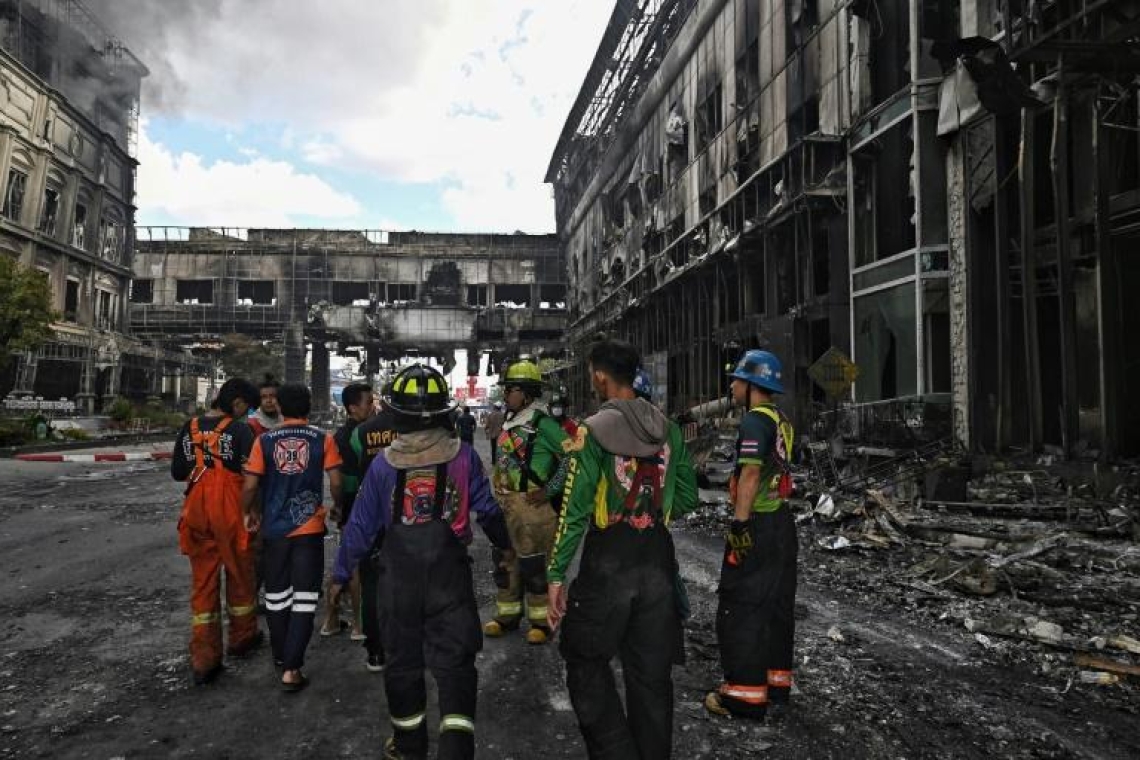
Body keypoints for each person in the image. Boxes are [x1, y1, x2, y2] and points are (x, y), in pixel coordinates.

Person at [332, 365, 511, 760]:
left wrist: (340, 574)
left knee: (402, 663)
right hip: (449, 576)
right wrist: (506, 547)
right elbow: (489, 511)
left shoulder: (382, 466)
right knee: (456, 664)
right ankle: (456, 748)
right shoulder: (463, 456)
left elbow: (360, 528)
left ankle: (410, 746)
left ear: (396, 414)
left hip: (398, 578)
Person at [547, 339, 699, 759]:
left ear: (599, 375)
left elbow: (574, 511)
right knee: (651, 677)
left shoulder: (592, 430)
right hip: (657, 560)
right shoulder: (668, 429)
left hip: (608, 563)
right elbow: (687, 495)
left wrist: (557, 575)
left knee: (584, 660)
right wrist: (657, 507)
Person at [704, 349, 797, 721]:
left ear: (753, 384)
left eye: (737, 380)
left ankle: (743, 695)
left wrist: (739, 528)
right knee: (776, 606)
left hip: (757, 523)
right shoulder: (782, 419)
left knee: (741, 604)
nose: (732, 385)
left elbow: (751, 475)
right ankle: (776, 684)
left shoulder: (755, 422)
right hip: (781, 526)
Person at [241, 383, 342, 692]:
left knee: (276, 596)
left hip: (274, 530)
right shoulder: (322, 439)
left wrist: (249, 512)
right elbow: (336, 480)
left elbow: (249, 485)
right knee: (304, 599)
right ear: (308, 408)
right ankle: (292, 668)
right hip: (308, 529)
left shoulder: (264, 441)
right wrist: (338, 505)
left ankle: (280, 656)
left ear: (281, 407)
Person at [170, 377, 262, 686]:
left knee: (203, 583)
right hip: (231, 510)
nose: (245, 413)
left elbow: (178, 472)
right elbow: (252, 475)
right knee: (239, 576)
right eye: (245, 407)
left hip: (196, 511)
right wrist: (255, 512)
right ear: (236, 403)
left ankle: (204, 660)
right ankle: (242, 638)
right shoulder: (240, 430)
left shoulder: (190, 427)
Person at [483, 358, 569, 645]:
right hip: (507, 505)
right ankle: (507, 616)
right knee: (506, 562)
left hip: (534, 509)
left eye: (511, 389)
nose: (505, 394)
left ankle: (540, 622)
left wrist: (550, 490)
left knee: (535, 565)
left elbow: (575, 456)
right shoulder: (511, 422)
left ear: (527, 394)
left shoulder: (544, 424)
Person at [343, 389, 402, 672]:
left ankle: (375, 651)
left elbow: (351, 480)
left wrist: (349, 517)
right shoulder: (414, 431)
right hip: (409, 518)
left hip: (371, 519)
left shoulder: (362, 433)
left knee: (371, 584)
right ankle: (407, 647)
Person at [321, 382, 374, 640]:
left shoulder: (338, 436)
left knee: (344, 562)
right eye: (368, 402)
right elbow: (344, 480)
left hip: (350, 506)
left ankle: (331, 621)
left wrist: (339, 505)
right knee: (355, 568)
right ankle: (358, 625)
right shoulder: (356, 435)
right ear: (353, 407)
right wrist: (342, 505)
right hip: (357, 507)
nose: (372, 406)